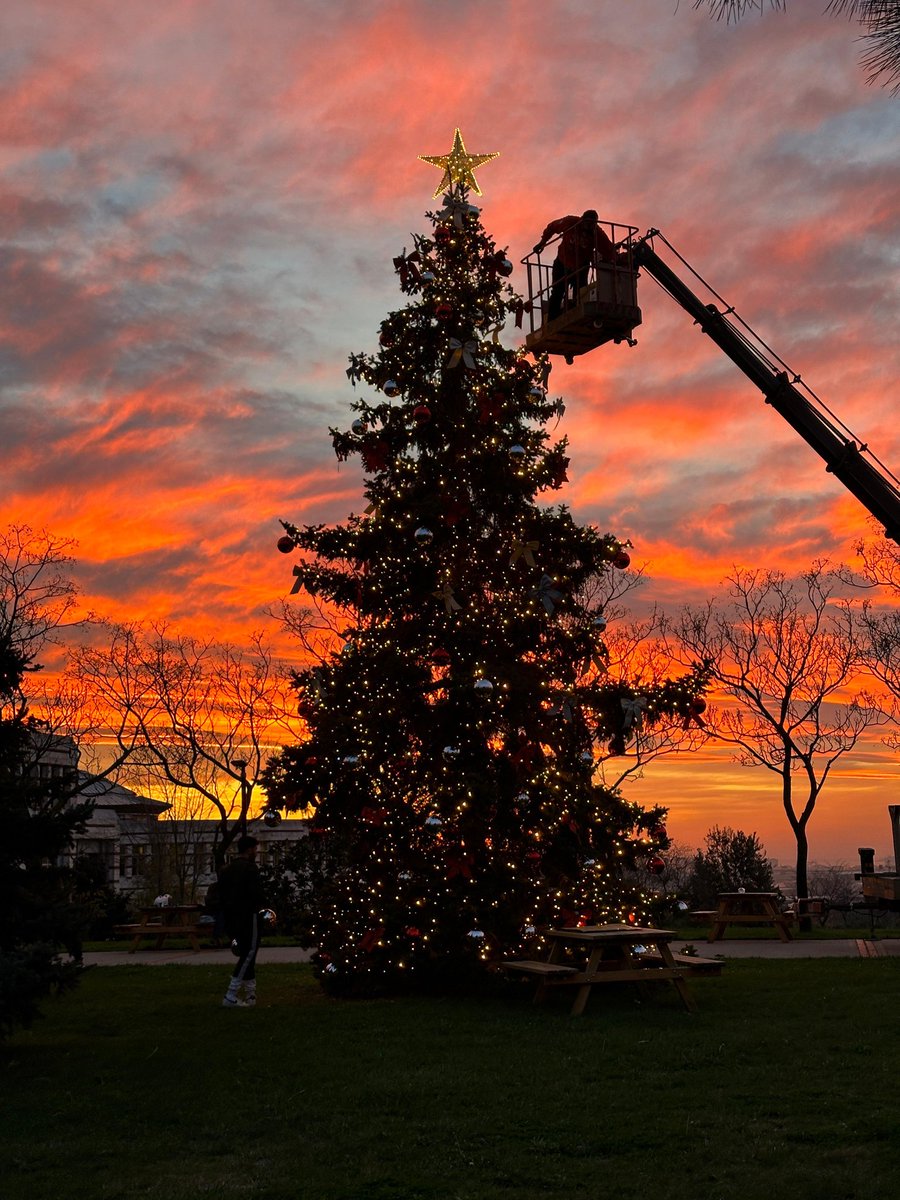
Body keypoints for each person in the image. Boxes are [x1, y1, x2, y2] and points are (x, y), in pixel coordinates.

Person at [533, 210, 616, 321]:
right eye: (588, 224)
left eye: (592, 224)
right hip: (562, 263)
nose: (589, 227)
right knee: (557, 292)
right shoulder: (570, 222)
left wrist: (616, 260)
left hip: (581, 267)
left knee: (581, 293)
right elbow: (552, 227)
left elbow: (608, 250)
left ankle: (580, 317)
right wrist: (542, 243)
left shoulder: (597, 233)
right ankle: (551, 322)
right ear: (582, 220)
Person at [218, 834, 266, 1008]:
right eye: (255, 849)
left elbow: (220, 894)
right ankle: (231, 994)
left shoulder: (227, 870)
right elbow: (257, 894)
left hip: (232, 917)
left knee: (248, 954)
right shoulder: (250, 869)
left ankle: (251, 994)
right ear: (249, 849)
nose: (256, 852)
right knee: (249, 953)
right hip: (249, 916)